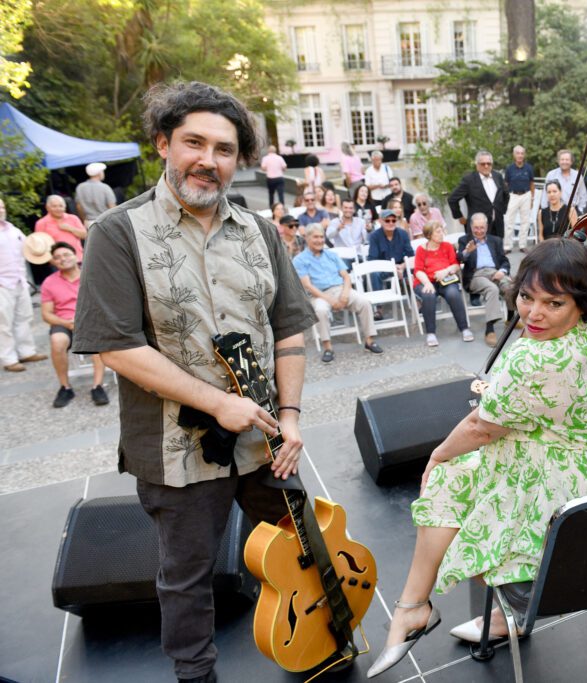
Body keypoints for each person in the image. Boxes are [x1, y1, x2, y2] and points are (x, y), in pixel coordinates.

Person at [72, 80, 317, 683]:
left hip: (266, 442)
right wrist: (216, 403)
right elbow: (117, 345)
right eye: (194, 142)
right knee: (186, 579)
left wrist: (290, 417)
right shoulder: (116, 233)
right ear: (163, 143)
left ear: (239, 160)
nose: (208, 160)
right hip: (175, 450)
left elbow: (289, 330)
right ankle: (197, 677)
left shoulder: (260, 231)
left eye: (225, 149)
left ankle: (326, 637)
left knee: (306, 545)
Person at [366, 238, 587, 678]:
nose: (534, 314)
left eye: (554, 303)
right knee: (473, 472)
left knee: (451, 475)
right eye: (527, 297)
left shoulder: (532, 357)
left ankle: (416, 607)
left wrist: (436, 454)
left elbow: (480, 428)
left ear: (580, 304)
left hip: (564, 499)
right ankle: (451, 611)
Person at [293, 224, 383, 360]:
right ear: (307, 238)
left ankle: (369, 341)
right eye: (315, 237)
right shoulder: (300, 259)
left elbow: (346, 276)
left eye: (322, 237)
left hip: (340, 289)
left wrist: (345, 294)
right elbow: (307, 285)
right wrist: (331, 300)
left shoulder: (332, 255)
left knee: (364, 303)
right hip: (319, 295)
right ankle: (328, 347)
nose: (320, 240)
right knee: (321, 311)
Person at [40, 241, 109, 407]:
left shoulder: (91, 275)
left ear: (76, 255)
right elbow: (46, 314)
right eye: (57, 257)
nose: (62, 259)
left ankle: (97, 386)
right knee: (57, 342)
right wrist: (67, 323)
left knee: (95, 338)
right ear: (53, 262)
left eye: (66, 254)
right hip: (64, 322)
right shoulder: (49, 282)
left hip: (90, 320)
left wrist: (85, 320)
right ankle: (65, 387)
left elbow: (103, 303)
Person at [1, 198, 47, 372]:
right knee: (3, 324)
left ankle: (27, 352)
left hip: (19, 280)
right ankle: (9, 359)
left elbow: (28, 249)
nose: (1, 210)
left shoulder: (13, 229)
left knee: (24, 318)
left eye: (2, 206)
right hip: (2, 284)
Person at [456, 213, 513, 347]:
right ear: (471, 227)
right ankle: (490, 330)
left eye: (482, 227)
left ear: (487, 227)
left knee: (510, 286)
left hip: (494, 272)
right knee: (492, 289)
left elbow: (505, 261)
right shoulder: (465, 240)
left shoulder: (496, 240)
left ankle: (510, 319)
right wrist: (467, 252)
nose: (479, 231)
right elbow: (459, 258)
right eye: (476, 228)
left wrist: (502, 271)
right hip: (476, 275)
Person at [412, 222, 472, 348]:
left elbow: (456, 265)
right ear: (429, 235)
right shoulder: (421, 249)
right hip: (425, 281)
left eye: (442, 231)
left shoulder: (447, 246)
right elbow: (418, 270)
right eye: (438, 232)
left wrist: (445, 271)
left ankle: (464, 328)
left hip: (446, 279)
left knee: (453, 293)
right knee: (428, 294)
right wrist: (427, 283)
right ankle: (431, 333)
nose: (442, 234)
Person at [447, 150, 508, 240]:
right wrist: (459, 216)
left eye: (489, 163)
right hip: (478, 228)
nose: (486, 166)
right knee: (478, 253)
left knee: (497, 252)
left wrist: (502, 210)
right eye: (483, 164)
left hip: (497, 225)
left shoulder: (497, 176)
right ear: (477, 165)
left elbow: (505, 194)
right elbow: (452, 199)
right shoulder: (469, 180)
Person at [367, 208, 414, 290]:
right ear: (380, 221)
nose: (391, 223)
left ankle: (417, 298)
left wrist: (402, 266)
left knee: (417, 267)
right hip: (384, 268)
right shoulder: (374, 236)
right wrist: (392, 266)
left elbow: (410, 255)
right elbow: (372, 260)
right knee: (374, 273)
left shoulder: (403, 234)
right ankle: (379, 301)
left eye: (393, 220)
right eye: (387, 221)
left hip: (401, 267)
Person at [502, 145, 535, 253]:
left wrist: (532, 199)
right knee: (509, 221)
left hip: (526, 195)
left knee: (525, 221)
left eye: (522, 153)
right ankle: (507, 246)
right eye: (518, 153)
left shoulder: (529, 168)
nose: (520, 155)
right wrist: (505, 198)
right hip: (512, 196)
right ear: (514, 155)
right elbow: (506, 184)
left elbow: (532, 183)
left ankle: (522, 245)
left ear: (524, 155)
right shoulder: (509, 168)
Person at [35, 195, 87, 262]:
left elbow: (84, 235)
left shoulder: (73, 218)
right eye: (54, 206)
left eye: (61, 206)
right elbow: (40, 245)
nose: (58, 209)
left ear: (65, 207)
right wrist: (51, 261)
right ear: (47, 208)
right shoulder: (41, 223)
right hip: (58, 261)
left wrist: (70, 228)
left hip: (78, 257)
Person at [541, 149, 587, 218]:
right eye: (562, 159)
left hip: (573, 212)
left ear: (571, 161)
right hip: (555, 211)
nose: (564, 162)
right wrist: (545, 211)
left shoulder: (578, 176)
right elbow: (545, 195)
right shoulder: (551, 175)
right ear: (558, 161)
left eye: (567, 160)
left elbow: (583, 195)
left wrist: (580, 211)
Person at [75, 162, 118, 227]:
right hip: (105, 222)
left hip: (89, 223)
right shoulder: (105, 187)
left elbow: (79, 207)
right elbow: (112, 207)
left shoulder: (80, 187)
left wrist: (84, 219)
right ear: (99, 173)